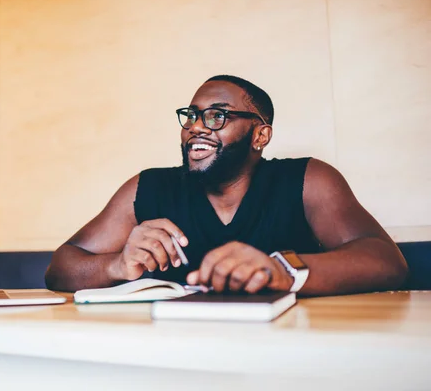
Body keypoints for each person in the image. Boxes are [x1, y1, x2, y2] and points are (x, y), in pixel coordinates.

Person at [44, 75, 408, 296]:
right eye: (191, 115)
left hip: (289, 350)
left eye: (217, 115)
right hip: (171, 352)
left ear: (260, 135)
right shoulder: (148, 186)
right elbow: (61, 266)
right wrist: (115, 266)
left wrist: (282, 270)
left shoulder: (308, 179)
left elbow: (387, 262)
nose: (196, 127)